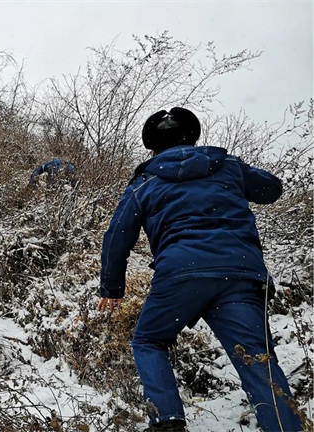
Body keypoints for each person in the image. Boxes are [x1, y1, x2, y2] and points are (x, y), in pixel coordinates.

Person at [97, 107, 303, 432]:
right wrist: (237, 171)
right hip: (240, 274)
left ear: (152, 147)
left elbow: (118, 235)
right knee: (258, 360)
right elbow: (271, 189)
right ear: (192, 138)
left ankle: (168, 421)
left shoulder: (145, 181)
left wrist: (111, 287)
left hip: (181, 273)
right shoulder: (227, 166)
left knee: (149, 341)